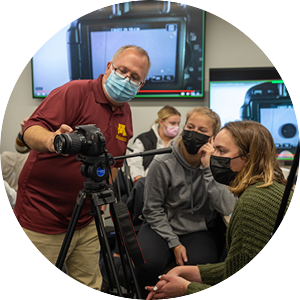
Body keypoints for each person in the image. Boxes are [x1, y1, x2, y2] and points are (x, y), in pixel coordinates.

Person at [14, 45, 151, 290]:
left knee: (91, 286)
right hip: (42, 217)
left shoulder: (125, 112)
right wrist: (52, 140)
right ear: (109, 67)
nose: (127, 80)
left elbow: (114, 165)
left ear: (141, 85)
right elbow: (30, 130)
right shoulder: (75, 91)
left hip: (86, 221)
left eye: (135, 78)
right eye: (123, 71)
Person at [145, 120, 293, 299]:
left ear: (247, 158)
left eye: (221, 151)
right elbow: (238, 268)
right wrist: (194, 272)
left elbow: (245, 290)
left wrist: (185, 289)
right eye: (214, 148)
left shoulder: (253, 203)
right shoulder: (270, 188)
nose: (213, 156)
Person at [136, 107, 237, 298]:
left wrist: (209, 169)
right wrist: (174, 243)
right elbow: (152, 209)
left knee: (202, 267)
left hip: (198, 227)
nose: (194, 133)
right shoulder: (162, 161)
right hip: (160, 225)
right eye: (190, 127)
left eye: (202, 130)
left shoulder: (218, 162)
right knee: (147, 265)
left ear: (212, 138)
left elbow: (227, 207)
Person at [127, 105, 181, 183]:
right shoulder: (143, 140)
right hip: (146, 182)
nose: (176, 127)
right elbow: (134, 163)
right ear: (161, 122)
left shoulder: (179, 143)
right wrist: (140, 181)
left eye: (178, 123)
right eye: (172, 123)